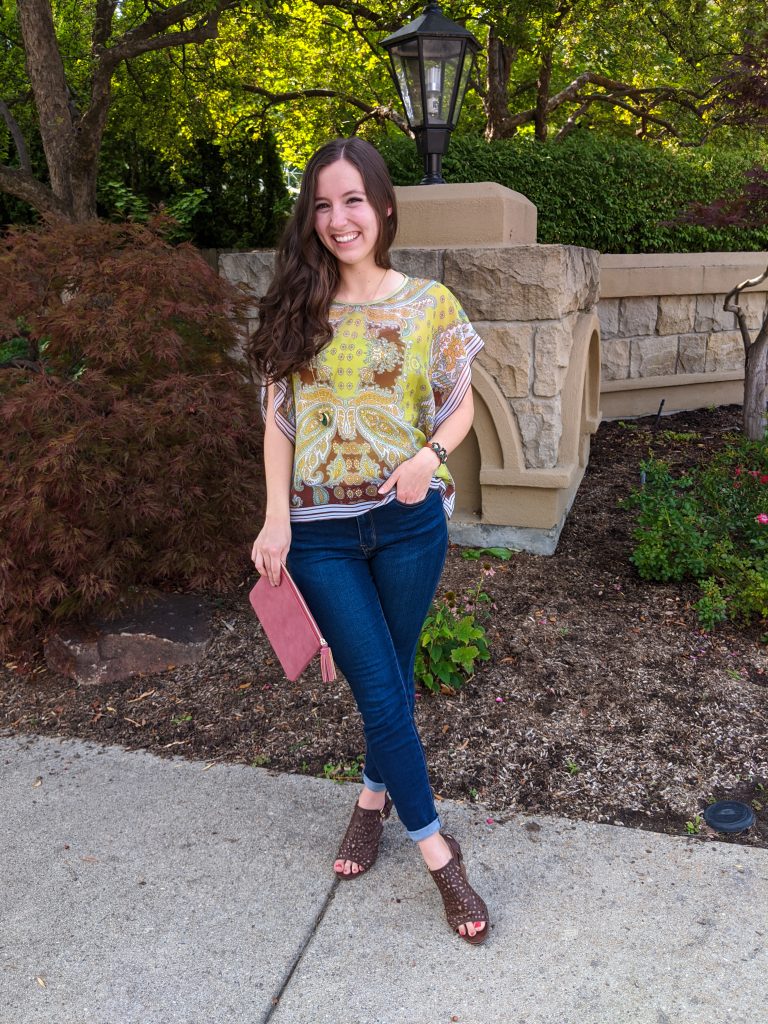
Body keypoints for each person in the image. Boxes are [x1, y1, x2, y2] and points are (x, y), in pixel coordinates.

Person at [248, 137, 489, 944]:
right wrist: (275, 517)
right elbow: (279, 423)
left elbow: (461, 401)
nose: (338, 218)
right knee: (379, 690)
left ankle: (371, 800)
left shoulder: (431, 303)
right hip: (319, 536)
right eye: (322, 204)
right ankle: (439, 855)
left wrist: (429, 457)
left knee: (394, 674)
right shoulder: (295, 305)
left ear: (384, 206)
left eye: (352, 200)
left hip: (408, 524)